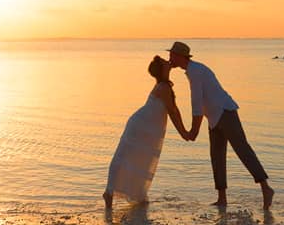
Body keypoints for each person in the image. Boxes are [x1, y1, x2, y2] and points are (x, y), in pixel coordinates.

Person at [168, 41, 274, 209]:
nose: (169, 58)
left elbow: (196, 102)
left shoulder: (195, 71)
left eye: (172, 55)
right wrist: (195, 128)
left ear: (180, 56)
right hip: (213, 117)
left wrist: (193, 131)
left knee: (242, 150)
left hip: (225, 112)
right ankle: (222, 198)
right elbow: (201, 103)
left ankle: (266, 189)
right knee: (216, 156)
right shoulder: (191, 71)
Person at [103, 55, 190, 208]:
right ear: (162, 69)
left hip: (148, 127)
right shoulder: (163, 87)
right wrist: (184, 132)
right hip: (141, 126)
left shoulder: (165, 86)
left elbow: (175, 110)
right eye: (165, 62)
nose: (168, 62)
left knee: (143, 159)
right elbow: (172, 112)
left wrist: (185, 130)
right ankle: (109, 192)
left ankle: (137, 193)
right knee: (123, 157)